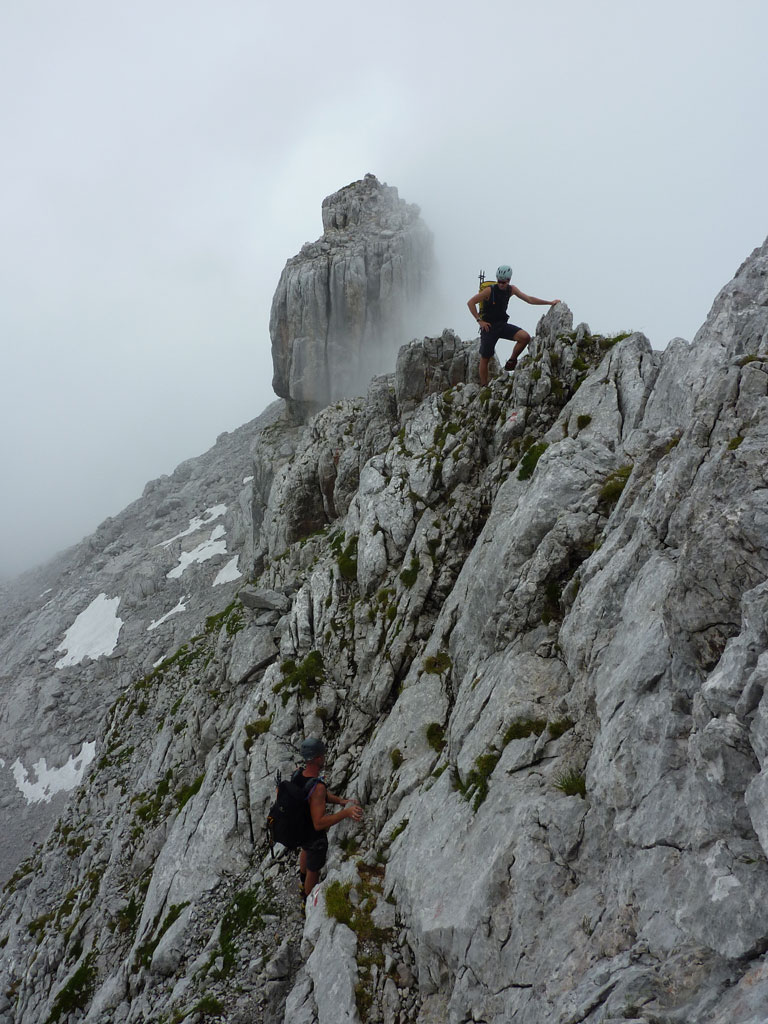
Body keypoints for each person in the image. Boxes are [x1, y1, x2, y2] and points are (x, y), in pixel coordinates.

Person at [467, 265, 561, 386]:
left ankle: (512, 360)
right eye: (499, 281)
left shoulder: (511, 290)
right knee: (485, 358)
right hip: (489, 327)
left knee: (525, 337)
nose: (501, 284)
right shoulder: (489, 291)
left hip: (502, 324)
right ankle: (483, 386)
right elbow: (471, 302)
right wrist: (479, 321)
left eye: (504, 282)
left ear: (509, 280)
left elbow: (529, 299)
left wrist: (549, 302)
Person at [294, 736, 362, 898]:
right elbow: (318, 823)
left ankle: (301, 882)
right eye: (323, 755)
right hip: (312, 834)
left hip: (300, 827)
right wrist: (345, 812)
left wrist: (339, 800)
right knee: (313, 869)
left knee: (305, 850)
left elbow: (315, 794)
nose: (324, 758)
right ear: (317, 758)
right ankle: (307, 900)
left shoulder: (298, 775)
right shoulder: (317, 787)